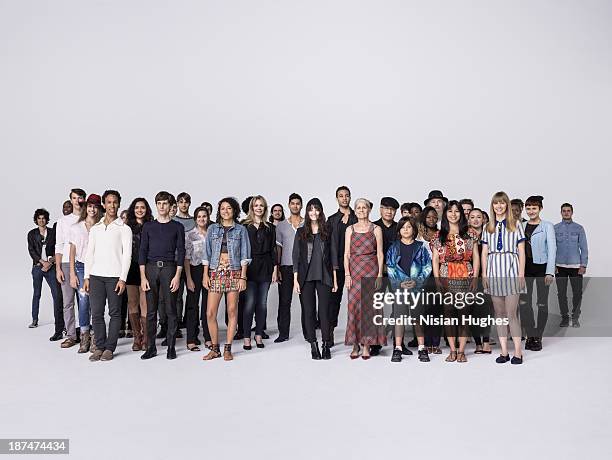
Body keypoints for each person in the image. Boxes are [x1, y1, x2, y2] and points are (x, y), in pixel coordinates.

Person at [84, 190, 132, 362]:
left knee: (114, 313)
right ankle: (100, 346)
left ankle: (110, 348)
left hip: (114, 277)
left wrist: (122, 278)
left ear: (119, 204)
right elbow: (90, 253)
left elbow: (127, 255)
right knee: (96, 313)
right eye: (109, 202)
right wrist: (87, 277)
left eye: (115, 202)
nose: (112, 205)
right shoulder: (96, 228)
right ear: (103, 205)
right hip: (96, 276)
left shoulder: (124, 229)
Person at [202, 197, 251, 361]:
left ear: (234, 210)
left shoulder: (241, 230)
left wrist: (243, 277)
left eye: (229, 208)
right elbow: (206, 253)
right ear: (219, 211)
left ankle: (228, 348)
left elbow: (245, 254)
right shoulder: (212, 229)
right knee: (210, 313)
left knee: (231, 310)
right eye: (222, 208)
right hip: (215, 272)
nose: (225, 211)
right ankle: (215, 349)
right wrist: (205, 274)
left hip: (234, 272)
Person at [431, 201, 479, 363]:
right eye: (450, 211)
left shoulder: (470, 233)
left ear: (461, 214)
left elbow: (476, 257)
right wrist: (437, 280)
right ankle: (452, 349)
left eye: (456, 211)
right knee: (449, 314)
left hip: (465, 274)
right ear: (445, 214)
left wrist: (475, 278)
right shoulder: (439, 235)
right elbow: (436, 259)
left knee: (464, 315)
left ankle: (462, 350)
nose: (453, 214)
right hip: (446, 274)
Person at [139, 191, 186, 361]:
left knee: (171, 309)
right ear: (156, 205)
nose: (162, 206)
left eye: (165, 203)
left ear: (170, 205)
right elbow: (142, 251)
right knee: (151, 311)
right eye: (159, 203)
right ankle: (151, 347)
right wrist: (143, 277)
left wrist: (177, 275)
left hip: (169, 269)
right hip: (151, 269)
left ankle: (171, 347)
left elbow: (181, 251)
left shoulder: (177, 227)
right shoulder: (148, 226)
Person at [481, 191, 526, 365]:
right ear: (492, 206)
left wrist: (521, 273)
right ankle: (504, 352)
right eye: (495, 203)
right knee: (499, 314)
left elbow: (521, 250)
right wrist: (485, 274)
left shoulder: (515, 224)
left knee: (511, 314)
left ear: (506, 205)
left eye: (502, 203)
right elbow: (484, 252)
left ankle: (518, 352)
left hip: (511, 269)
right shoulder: (488, 227)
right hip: (494, 271)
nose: (499, 206)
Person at [293, 198, 338, 360]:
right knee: (309, 312)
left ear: (321, 211)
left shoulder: (327, 230)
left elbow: (333, 255)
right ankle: (313, 344)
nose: (314, 212)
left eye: (316, 209)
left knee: (325, 312)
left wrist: (335, 279)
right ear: (307, 212)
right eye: (311, 209)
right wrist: (295, 280)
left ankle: (326, 344)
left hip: (324, 276)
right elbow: (296, 256)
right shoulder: (301, 232)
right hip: (305, 278)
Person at [386, 216, 433, 362]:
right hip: (400, 288)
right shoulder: (394, 247)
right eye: (403, 227)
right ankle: (398, 348)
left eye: (409, 227)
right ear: (399, 230)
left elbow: (427, 267)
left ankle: (421, 347)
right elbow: (390, 267)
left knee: (417, 318)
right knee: (399, 318)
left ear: (414, 229)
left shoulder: (420, 247)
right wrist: (400, 283)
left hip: (416, 288)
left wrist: (417, 281)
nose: (406, 230)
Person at [345, 198, 386, 359]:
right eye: (359, 208)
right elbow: (346, 254)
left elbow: (380, 253)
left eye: (365, 207)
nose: (362, 210)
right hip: (354, 270)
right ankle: (355, 344)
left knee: (369, 308)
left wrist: (380, 275)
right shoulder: (350, 229)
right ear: (355, 211)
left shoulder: (376, 229)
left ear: (369, 210)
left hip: (371, 269)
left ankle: (367, 345)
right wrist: (347, 274)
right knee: (353, 306)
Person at [521, 196, 556, 351]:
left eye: (534, 208)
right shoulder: (520, 225)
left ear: (540, 209)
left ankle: (538, 336)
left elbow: (552, 249)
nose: (531, 211)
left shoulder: (547, 226)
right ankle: (530, 335)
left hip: (541, 267)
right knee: (524, 303)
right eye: (528, 208)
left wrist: (550, 272)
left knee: (541, 302)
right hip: (525, 268)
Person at [69, 194, 103, 353]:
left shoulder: (102, 226)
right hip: (81, 266)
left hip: (99, 267)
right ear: (86, 207)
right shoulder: (76, 227)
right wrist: (72, 273)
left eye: (96, 206)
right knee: (83, 301)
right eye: (90, 206)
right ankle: (84, 335)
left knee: (97, 302)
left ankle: (96, 336)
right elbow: (72, 251)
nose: (92, 209)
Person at [242, 196, 278, 350]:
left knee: (262, 304)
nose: (259, 208)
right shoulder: (244, 226)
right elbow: (241, 248)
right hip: (249, 268)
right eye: (256, 205)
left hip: (266, 268)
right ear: (252, 207)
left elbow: (273, 250)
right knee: (249, 303)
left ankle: (258, 334)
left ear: (264, 208)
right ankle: (246, 336)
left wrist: (275, 270)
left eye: (261, 206)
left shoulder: (270, 227)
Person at [55, 188, 86, 348]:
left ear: (83, 199)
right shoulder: (62, 221)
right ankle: (71, 335)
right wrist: (58, 268)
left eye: (80, 198)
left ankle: (85, 333)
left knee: (84, 300)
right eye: (74, 198)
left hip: (85, 263)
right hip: (67, 263)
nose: (77, 200)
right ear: (71, 200)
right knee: (68, 302)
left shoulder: (88, 218)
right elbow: (59, 245)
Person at [328, 186, 358, 345]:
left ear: (350, 197)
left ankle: (357, 334)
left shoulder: (358, 216)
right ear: (337, 198)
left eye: (347, 195)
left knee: (357, 301)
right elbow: (330, 245)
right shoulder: (332, 220)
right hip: (338, 266)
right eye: (341, 196)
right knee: (334, 299)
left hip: (357, 265)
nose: (344, 198)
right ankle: (330, 332)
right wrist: (333, 267)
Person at [274, 193, 304, 343]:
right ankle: (283, 333)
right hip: (286, 267)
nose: (295, 206)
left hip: (304, 268)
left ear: (301, 205)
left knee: (306, 301)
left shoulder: (307, 223)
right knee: (284, 302)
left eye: (298, 203)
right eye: (292, 203)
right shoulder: (281, 226)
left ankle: (308, 333)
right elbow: (278, 249)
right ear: (289, 205)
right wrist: (277, 268)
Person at [372, 196, 400, 356]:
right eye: (386, 208)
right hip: (378, 273)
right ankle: (375, 342)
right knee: (376, 307)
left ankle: (399, 342)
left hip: (396, 274)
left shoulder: (400, 227)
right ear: (381, 209)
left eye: (392, 209)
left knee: (399, 307)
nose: (389, 211)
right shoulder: (374, 227)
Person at [125, 198, 153, 352]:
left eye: (143, 207)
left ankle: (146, 338)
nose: (140, 210)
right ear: (133, 209)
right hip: (130, 269)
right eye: (137, 207)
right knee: (132, 303)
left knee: (145, 304)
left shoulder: (151, 226)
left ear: (146, 209)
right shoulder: (126, 227)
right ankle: (137, 337)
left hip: (146, 268)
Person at [554, 203, 588, 328]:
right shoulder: (555, 228)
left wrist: (583, 265)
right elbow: (551, 249)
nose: (566, 213)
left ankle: (575, 317)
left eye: (568, 211)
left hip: (576, 266)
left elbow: (584, 248)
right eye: (564, 211)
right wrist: (552, 265)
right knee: (561, 293)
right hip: (559, 266)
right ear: (561, 212)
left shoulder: (579, 228)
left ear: (572, 212)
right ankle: (564, 317)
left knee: (577, 293)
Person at [27, 208, 61, 331]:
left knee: (56, 294)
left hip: (51, 267)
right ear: (36, 220)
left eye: (43, 218)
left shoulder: (53, 232)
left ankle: (59, 320)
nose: (41, 220)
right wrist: (42, 263)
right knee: (37, 293)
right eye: (39, 218)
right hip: (37, 267)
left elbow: (57, 248)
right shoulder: (32, 234)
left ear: (46, 219)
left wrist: (50, 262)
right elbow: (31, 250)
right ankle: (34, 319)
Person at [184, 206, 212, 351]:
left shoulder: (212, 234)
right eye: (199, 216)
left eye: (204, 216)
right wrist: (188, 278)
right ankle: (191, 339)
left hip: (210, 272)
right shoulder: (189, 235)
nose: (202, 219)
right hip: (194, 271)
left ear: (208, 218)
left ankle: (208, 337)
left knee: (208, 306)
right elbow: (187, 258)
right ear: (195, 219)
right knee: (192, 306)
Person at [417, 205, 442, 354]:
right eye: (428, 217)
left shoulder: (440, 234)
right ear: (423, 218)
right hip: (422, 275)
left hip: (437, 274)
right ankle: (425, 342)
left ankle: (436, 342)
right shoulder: (418, 235)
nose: (432, 219)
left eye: (434, 217)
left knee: (437, 310)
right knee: (424, 310)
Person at [468, 208, 492, 354]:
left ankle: (486, 341)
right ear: (468, 219)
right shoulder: (465, 235)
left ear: (484, 219)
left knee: (485, 310)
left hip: (488, 275)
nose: (476, 220)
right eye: (472, 217)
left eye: (479, 217)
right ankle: (477, 342)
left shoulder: (489, 234)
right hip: (469, 276)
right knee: (471, 310)